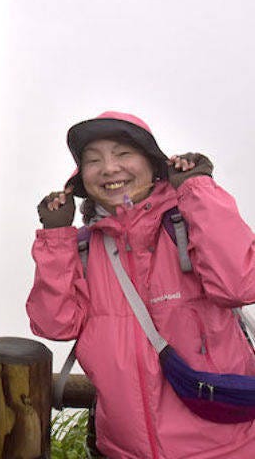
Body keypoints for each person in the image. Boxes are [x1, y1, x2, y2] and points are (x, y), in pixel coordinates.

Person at [27, 111, 255, 458]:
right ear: (82, 178)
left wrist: (197, 189)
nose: (109, 168)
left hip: (225, 447)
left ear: (152, 163)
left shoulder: (184, 225)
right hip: (122, 450)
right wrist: (56, 237)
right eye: (93, 160)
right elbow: (54, 324)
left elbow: (240, 284)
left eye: (123, 154)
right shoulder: (87, 248)